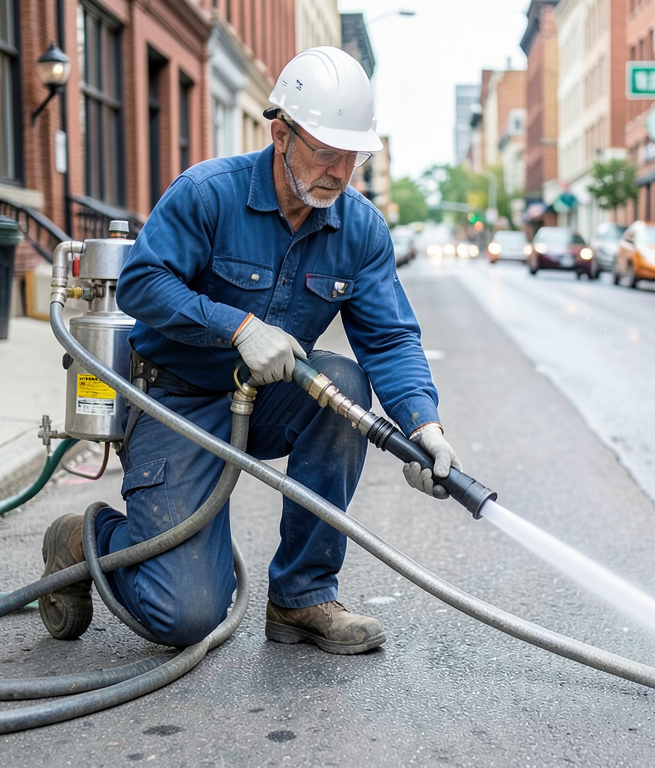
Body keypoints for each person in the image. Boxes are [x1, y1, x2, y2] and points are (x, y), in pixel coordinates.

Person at [38, 47, 461, 655]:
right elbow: (141, 284)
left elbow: (390, 337)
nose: (340, 171)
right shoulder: (208, 193)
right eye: (327, 151)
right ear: (281, 133)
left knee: (343, 388)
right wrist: (236, 326)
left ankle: (301, 597)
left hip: (268, 397)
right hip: (174, 398)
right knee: (184, 617)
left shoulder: (361, 228)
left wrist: (425, 426)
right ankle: (85, 541)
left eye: (354, 155)